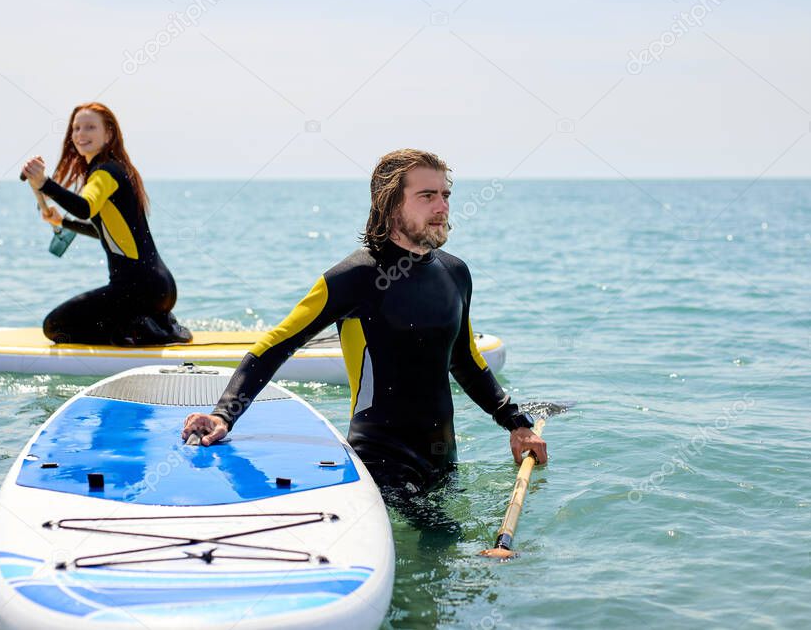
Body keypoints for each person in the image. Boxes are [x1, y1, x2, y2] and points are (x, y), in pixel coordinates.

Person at [181, 148, 546, 496]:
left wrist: (516, 424)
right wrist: (223, 416)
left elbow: (464, 358)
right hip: (380, 463)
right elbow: (275, 345)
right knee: (439, 538)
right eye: (427, 196)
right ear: (390, 205)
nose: (442, 206)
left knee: (449, 546)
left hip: (442, 460)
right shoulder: (356, 276)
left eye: (445, 194)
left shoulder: (455, 273)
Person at [20, 102, 192, 347]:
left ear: (108, 134)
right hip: (161, 290)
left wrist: (44, 183)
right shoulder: (118, 170)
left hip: (136, 290)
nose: (81, 134)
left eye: (90, 127)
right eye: (76, 128)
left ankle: (138, 331)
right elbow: (107, 233)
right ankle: (153, 323)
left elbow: (84, 207)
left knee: (55, 327)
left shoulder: (104, 173)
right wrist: (63, 222)